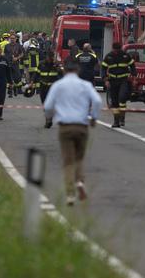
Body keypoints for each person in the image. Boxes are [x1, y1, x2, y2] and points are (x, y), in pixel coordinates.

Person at [43, 60, 102, 206]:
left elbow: (48, 105)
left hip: (65, 127)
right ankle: (80, 182)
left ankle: (70, 194)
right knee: (79, 158)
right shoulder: (85, 85)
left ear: (64, 71)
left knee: (68, 160)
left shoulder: (58, 85)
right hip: (81, 126)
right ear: (78, 71)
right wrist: (93, 118)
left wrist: (50, 116)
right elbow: (97, 101)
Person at [101, 42, 137, 128]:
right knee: (114, 102)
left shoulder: (125, 56)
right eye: (115, 50)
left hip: (123, 80)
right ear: (113, 49)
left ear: (120, 49)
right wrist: (105, 80)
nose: (116, 51)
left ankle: (122, 119)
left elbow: (132, 66)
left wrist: (134, 77)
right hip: (113, 81)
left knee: (122, 98)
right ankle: (116, 121)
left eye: (118, 50)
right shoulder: (109, 56)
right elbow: (103, 68)